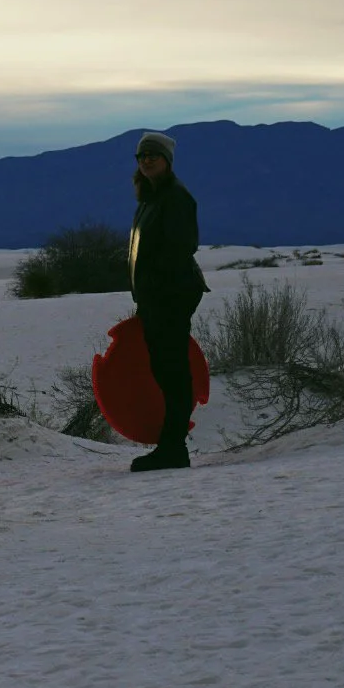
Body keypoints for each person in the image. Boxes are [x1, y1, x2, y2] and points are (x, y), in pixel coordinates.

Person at [128, 131, 208, 471]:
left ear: (167, 160)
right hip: (155, 299)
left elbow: (180, 249)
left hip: (170, 298)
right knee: (164, 369)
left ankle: (173, 449)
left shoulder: (175, 197)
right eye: (142, 155)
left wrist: (157, 292)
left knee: (173, 371)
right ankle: (171, 446)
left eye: (153, 155)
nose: (147, 160)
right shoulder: (151, 197)